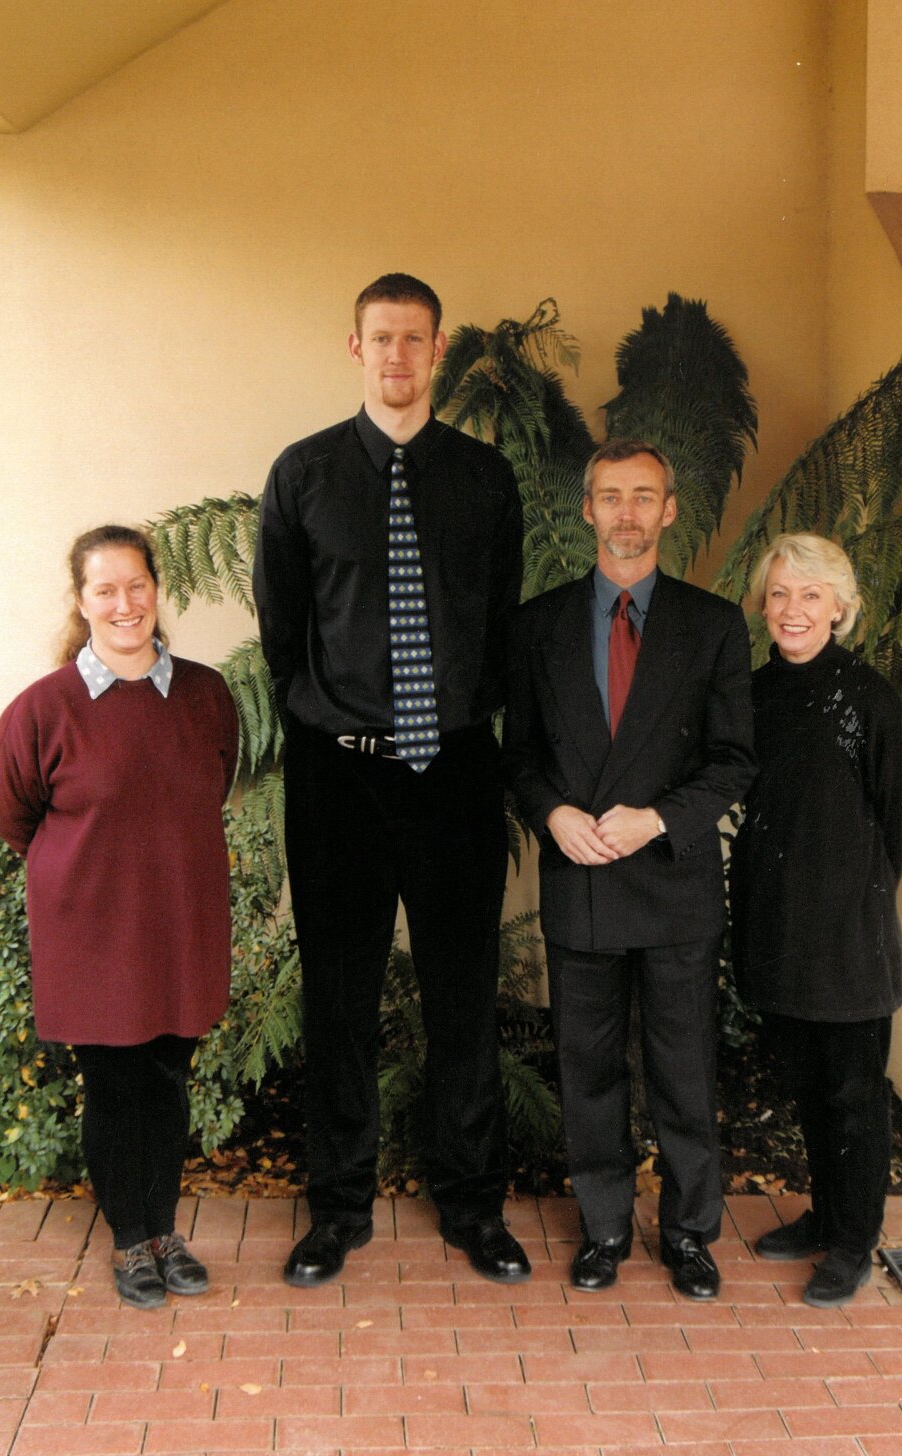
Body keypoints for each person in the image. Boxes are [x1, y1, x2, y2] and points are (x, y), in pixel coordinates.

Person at [253, 273, 529, 1286]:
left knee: (464, 996)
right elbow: (283, 635)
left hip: (453, 768)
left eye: (415, 340)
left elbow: (500, 624)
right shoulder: (304, 476)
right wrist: (327, 721)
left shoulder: (484, 479)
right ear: (355, 346)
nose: (399, 358)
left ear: (439, 347)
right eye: (382, 339)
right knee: (340, 999)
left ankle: (472, 1206)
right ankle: (337, 1208)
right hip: (341, 782)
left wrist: (461, 718)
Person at [504, 439, 755, 1296]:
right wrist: (552, 813)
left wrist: (656, 818)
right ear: (587, 509)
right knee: (589, 1068)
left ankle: (687, 1233)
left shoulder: (713, 624)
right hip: (581, 884)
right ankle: (605, 1228)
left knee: (683, 1069)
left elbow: (731, 760)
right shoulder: (537, 625)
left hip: (675, 884)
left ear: (668, 510)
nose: (626, 513)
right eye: (610, 496)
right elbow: (519, 757)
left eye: (643, 496)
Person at [0, 525, 239, 1309]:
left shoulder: (205, 695)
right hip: (92, 932)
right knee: (115, 1086)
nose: (124, 603)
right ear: (81, 600)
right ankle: (130, 1240)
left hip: (179, 922)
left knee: (167, 1080)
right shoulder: (42, 710)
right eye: (105, 589)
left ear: (155, 589)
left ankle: (165, 1229)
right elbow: (14, 816)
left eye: (136, 585)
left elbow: (213, 783)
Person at [729, 533, 902, 1307]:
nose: (793, 610)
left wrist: (852, 893)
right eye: (779, 594)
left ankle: (852, 1241)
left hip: (847, 933)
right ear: (762, 605)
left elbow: (896, 820)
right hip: (777, 925)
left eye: (810, 595)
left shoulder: (869, 698)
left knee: (851, 1092)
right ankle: (823, 1216)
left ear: (840, 608)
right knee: (808, 1085)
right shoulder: (748, 693)